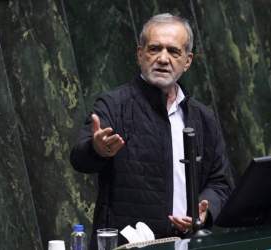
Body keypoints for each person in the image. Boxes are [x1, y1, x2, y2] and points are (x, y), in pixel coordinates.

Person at [70, 13, 233, 249]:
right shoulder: (114, 105)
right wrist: (97, 149)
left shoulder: (203, 117)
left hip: (189, 243)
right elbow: (79, 158)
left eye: (173, 51)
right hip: (128, 245)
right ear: (139, 54)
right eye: (154, 49)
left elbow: (221, 183)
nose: (163, 59)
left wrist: (203, 210)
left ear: (187, 61)